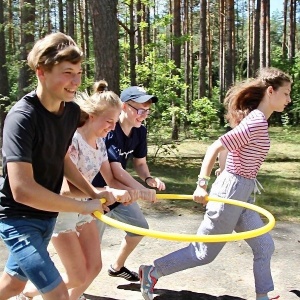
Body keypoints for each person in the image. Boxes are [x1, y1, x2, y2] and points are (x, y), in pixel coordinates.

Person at [138, 67, 292, 300]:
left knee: (264, 246)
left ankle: (262, 296)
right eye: (286, 93)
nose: (289, 100)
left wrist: (224, 169)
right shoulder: (257, 121)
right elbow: (217, 146)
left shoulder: (258, 120)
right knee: (204, 253)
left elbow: (229, 147)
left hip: (243, 190)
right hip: (232, 192)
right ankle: (153, 271)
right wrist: (202, 183)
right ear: (271, 91)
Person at [0, 32, 116, 300]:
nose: (75, 81)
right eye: (67, 72)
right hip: (19, 221)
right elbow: (22, 190)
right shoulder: (22, 118)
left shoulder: (71, 113)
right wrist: (82, 205)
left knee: (12, 286)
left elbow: (61, 157)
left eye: (78, 72)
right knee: (59, 295)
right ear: (42, 72)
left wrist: (93, 192)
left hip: (47, 218)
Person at [92, 85, 166, 282]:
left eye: (147, 111)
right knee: (91, 248)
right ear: (124, 107)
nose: (144, 115)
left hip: (121, 191)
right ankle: (74, 289)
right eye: (140, 110)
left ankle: (116, 267)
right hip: (98, 193)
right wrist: (140, 191)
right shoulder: (109, 130)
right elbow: (116, 170)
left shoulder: (140, 131)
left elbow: (140, 163)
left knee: (139, 228)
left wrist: (149, 180)